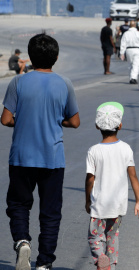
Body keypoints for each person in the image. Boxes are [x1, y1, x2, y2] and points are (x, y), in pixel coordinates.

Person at [1, 34, 80, 270]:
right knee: (50, 212)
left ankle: (22, 241)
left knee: (18, 204)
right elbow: (75, 122)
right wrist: (57, 121)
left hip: (22, 157)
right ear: (55, 57)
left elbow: (6, 119)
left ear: (30, 57)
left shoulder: (18, 82)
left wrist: (23, 120)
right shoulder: (64, 83)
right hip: (52, 159)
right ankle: (44, 263)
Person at [85, 102, 139, 270]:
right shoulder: (126, 149)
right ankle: (109, 264)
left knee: (95, 238)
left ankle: (101, 257)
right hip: (118, 205)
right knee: (112, 237)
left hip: (99, 205)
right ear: (120, 125)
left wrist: (87, 200)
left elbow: (90, 179)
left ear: (97, 126)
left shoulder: (94, 151)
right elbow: (133, 176)